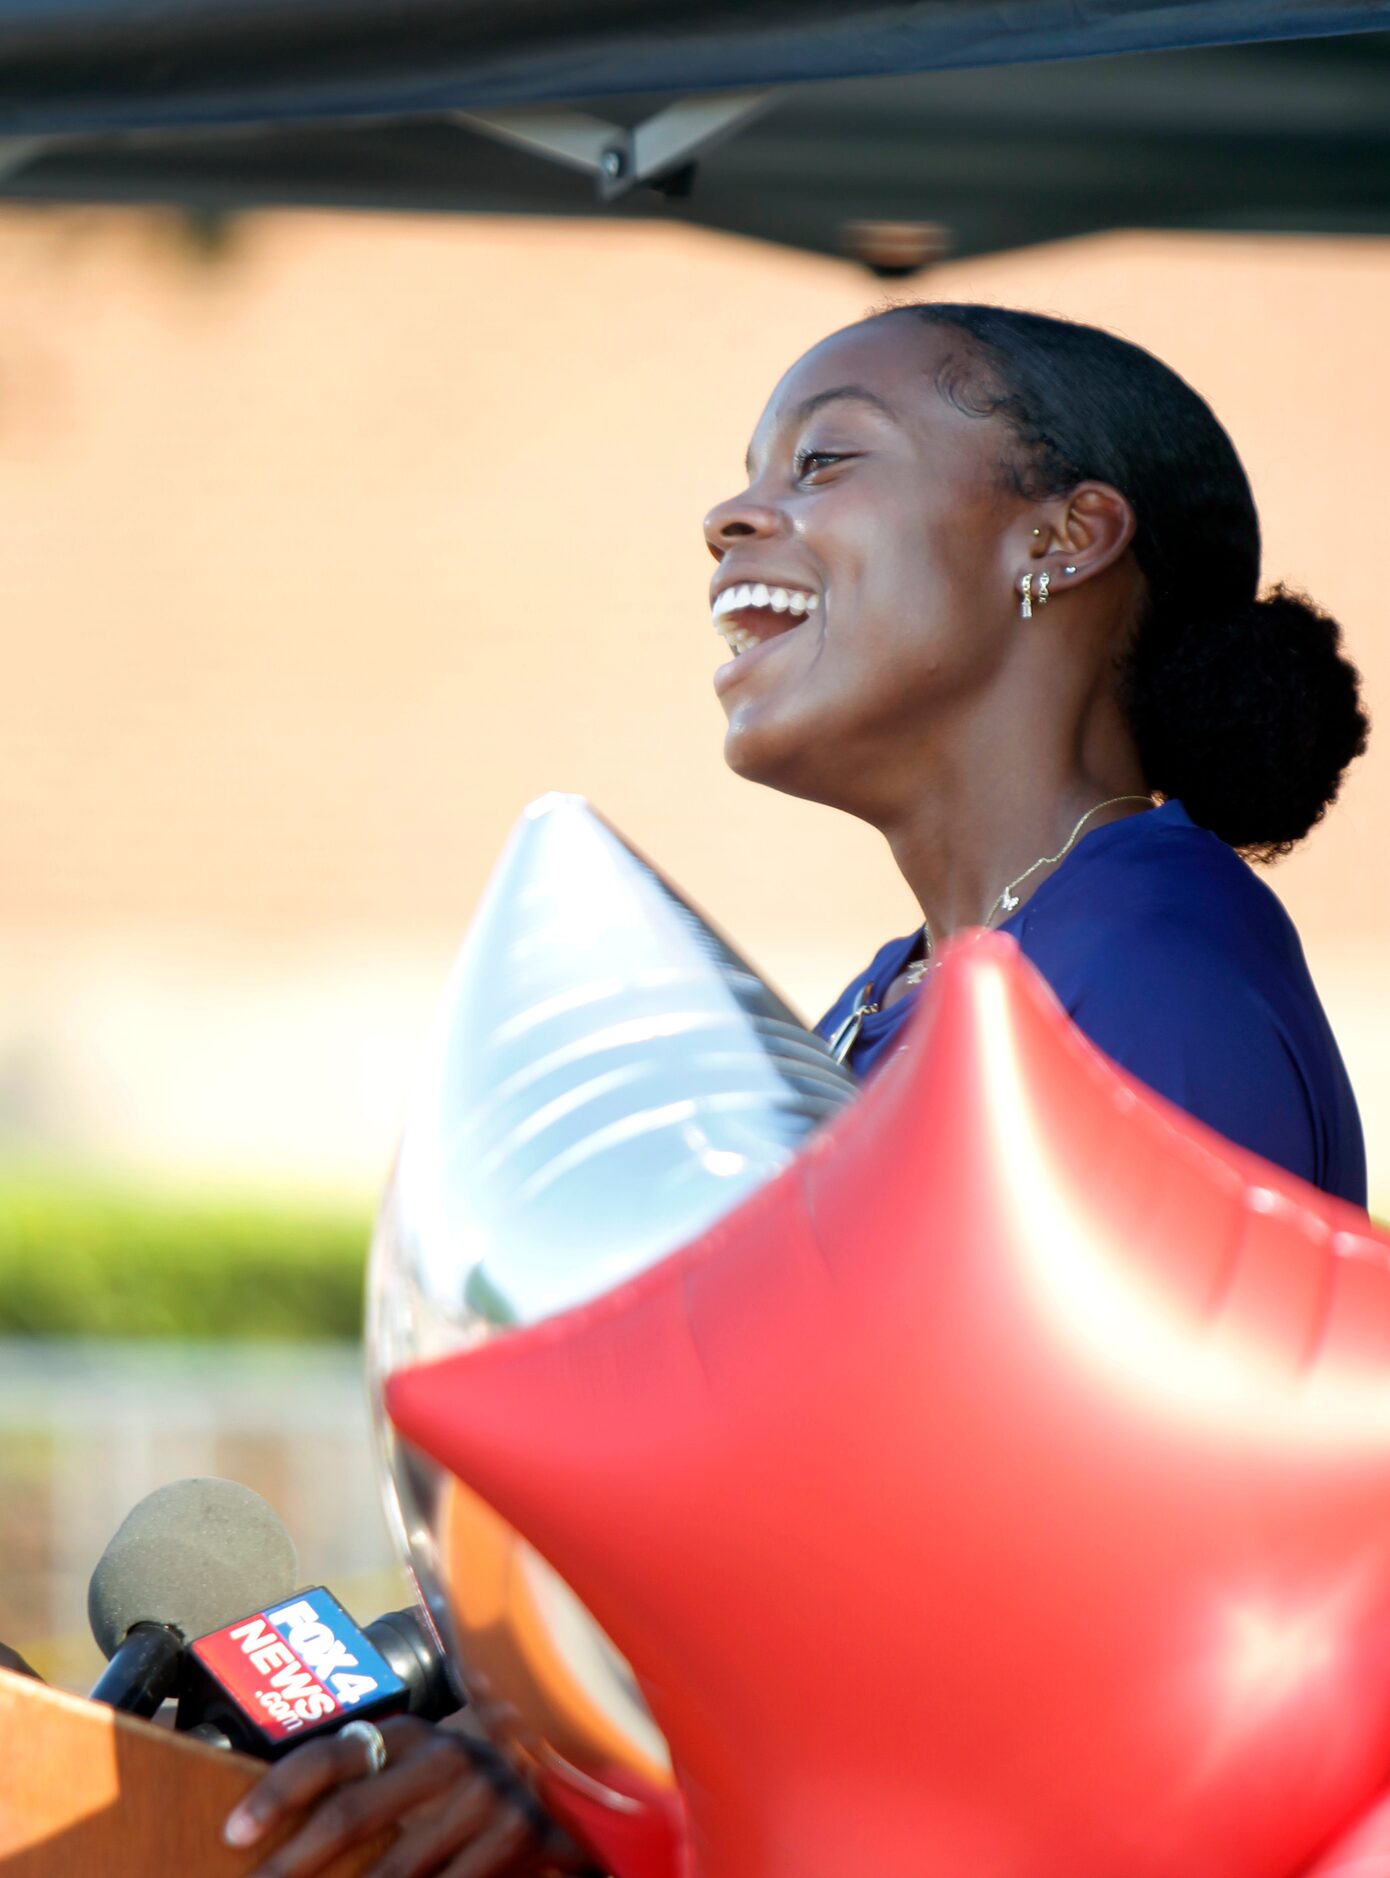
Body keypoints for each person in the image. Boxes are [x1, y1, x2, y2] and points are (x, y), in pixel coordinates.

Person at [221, 302, 1370, 1874]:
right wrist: (492, 1710)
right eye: (748, 475)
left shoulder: (1150, 963)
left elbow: (1058, 1601)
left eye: (825, 458)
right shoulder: (914, 987)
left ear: (1065, 536)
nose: (733, 516)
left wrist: (587, 1774)